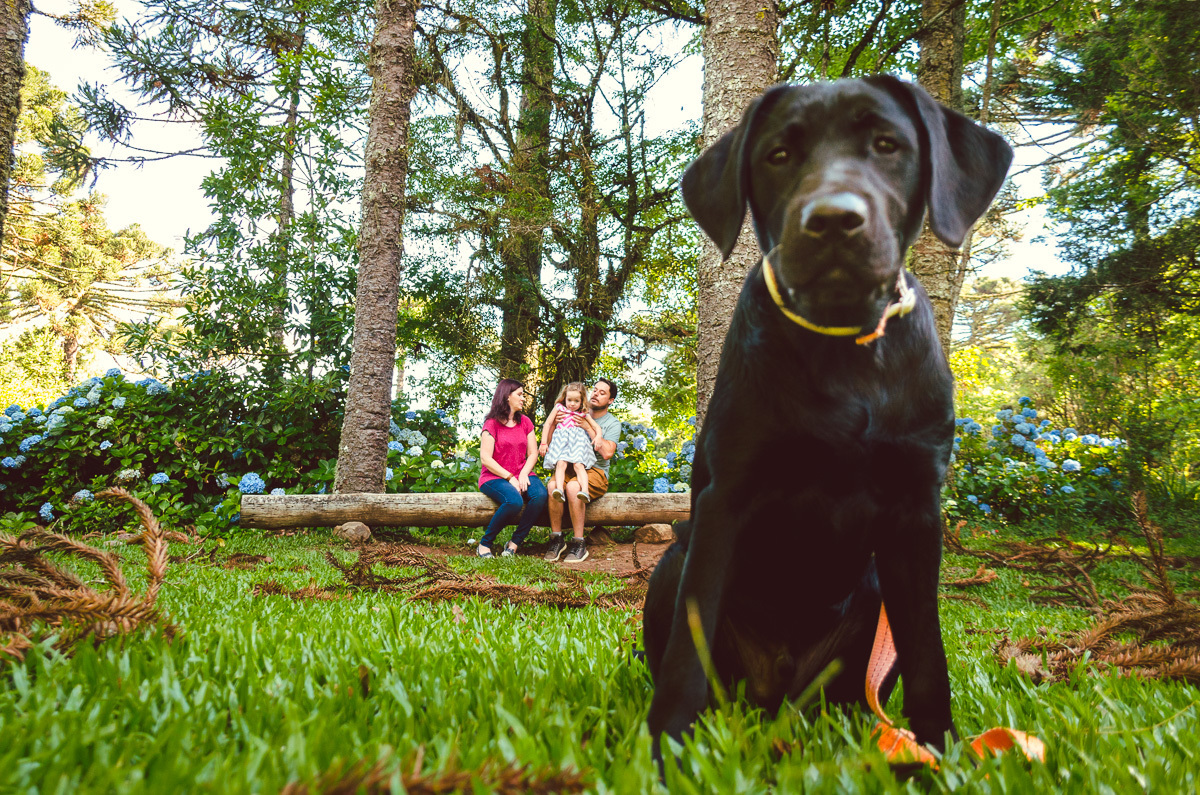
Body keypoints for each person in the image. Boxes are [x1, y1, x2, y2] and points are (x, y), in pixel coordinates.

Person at [544, 378, 622, 564]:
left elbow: (608, 452)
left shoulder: (611, 423)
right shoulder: (569, 410)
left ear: (610, 400)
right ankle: (557, 540)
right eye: (595, 390)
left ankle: (579, 543)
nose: (596, 394)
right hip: (567, 466)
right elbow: (550, 436)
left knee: (573, 488)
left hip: (595, 471)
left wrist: (588, 427)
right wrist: (554, 423)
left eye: (602, 393)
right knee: (553, 485)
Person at [477, 378, 548, 558]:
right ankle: (484, 544)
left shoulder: (525, 422)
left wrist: (523, 473)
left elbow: (533, 453)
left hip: (521, 473)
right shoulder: (491, 423)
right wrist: (510, 477)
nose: (523, 398)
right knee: (514, 501)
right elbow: (486, 458)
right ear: (507, 396)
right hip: (494, 477)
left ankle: (514, 543)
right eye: (520, 395)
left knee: (539, 496)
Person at [538, 381, 602, 503]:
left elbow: (596, 427)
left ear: (582, 401)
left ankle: (585, 491)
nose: (572, 404)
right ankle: (559, 490)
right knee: (561, 463)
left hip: (577, 444)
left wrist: (598, 437)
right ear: (565, 398)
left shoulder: (583, 413)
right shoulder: (559, 408)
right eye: (569, 400)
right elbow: (548, 424)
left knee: (578, 465)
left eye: (576, 401)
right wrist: (543, 443)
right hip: (562, 444)